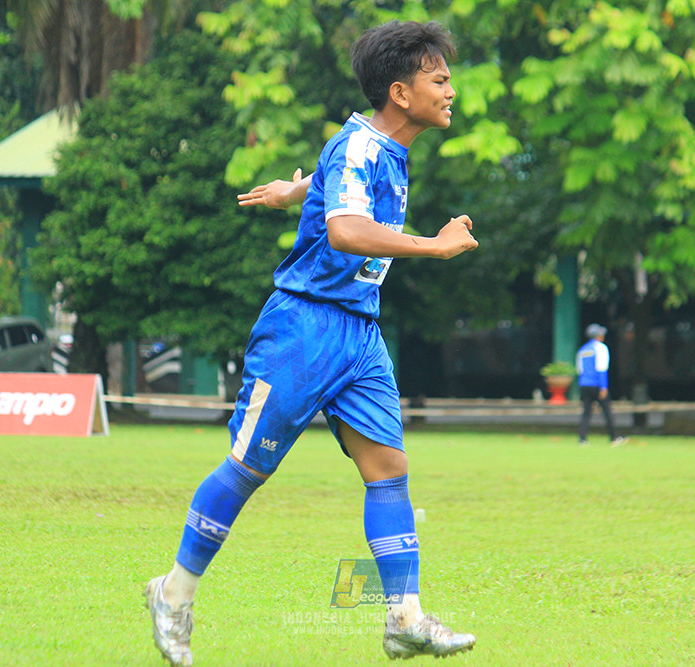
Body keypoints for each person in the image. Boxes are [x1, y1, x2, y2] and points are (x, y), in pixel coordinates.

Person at [144, 20, 478, 666]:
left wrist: (295, 191)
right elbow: (348, 230)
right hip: (304, 328)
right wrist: (434, 246)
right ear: (400, 93)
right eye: (439, 80)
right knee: (248, 470)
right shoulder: (359, 147)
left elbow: (338, 182)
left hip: (359, 333)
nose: (451, 91)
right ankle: (173, 593)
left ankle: (405, 620)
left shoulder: (379, 148)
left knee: (389, 469)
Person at [576, 324, 625, 446]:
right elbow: (601, 369)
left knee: (586, 412)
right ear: (598, 336)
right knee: (607, 411)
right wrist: (604, 387)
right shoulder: (601, 348)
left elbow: (580, 369)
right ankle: (614, 437)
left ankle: (582, 438)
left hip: (584, 384)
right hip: (596, 384)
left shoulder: (583, 350)